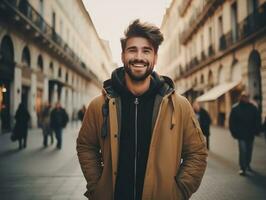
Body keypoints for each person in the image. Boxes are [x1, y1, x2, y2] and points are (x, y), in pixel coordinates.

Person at [77, 19, 207, 200]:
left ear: (155, 58)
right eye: (132, 50)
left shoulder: (180, 105)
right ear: (122, 56)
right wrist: (98, 186)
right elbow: (86, 145)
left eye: (146, 51)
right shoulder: (99, 105)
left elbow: (197, 152)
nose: (139, 57)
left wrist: (179, 191)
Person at [229, 91, 260, 176]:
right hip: (241, 135)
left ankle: (248, 164)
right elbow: (232, 122)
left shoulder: (253, 108)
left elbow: (257, 119)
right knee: (243, 151)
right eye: (244, 97)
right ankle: (243, 168)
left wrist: (256, 130)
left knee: (249, 151)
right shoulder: (235, 108)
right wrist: (234, 133)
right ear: (241, 98)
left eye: (247, 97)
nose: (246, 98)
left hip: (250, 134)